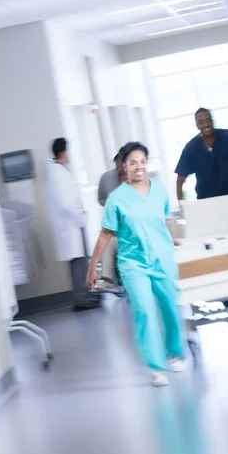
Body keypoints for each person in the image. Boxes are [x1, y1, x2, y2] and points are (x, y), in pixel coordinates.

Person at [87, 141, 185, 387]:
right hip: (133, 263)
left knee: (171, 307)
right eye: (133, 162)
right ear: (124, 166)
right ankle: (156, 368)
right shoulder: (117, 199)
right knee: (144, 311)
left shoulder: (160, 190)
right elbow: (105, 234)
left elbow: (160, 221)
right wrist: (92, 267)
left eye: (142, 161)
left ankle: (175, 353)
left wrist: (172, 240)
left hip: (162, 258)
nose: (139, 167)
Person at [43, 138, 101, 312]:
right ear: (64, 152)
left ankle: (84, 296)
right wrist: (80, 217)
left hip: (72, 225)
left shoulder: (58, 171)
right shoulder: (57, 174)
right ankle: (81, 300)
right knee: (78, 264)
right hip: (71, 226)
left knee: (80, 264)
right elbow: (65, 203)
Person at [175, 107, 228, 201]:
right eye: (201, 122)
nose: (206, 124)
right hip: (208, 202)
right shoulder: (191, 148)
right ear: (197, 126)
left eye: (208, 120)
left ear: (212, 121)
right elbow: (180, 182)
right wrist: (183, 207)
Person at [97, 153, 126, 288]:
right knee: (107, 242)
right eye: (117, 165)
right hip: (119, 231)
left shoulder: (136, 182)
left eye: (121, 164)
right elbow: (101, 198)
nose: (119, 167)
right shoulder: (107, 178)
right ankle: (108, 280)